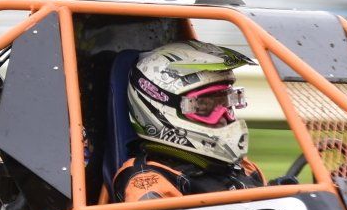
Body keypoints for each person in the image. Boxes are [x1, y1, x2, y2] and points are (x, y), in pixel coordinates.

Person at [113, 40, 265, 201]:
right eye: (204, 106)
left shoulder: (244, 167)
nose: (223, 117)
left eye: (226, 102)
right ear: (161, 108)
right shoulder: (147, 179)